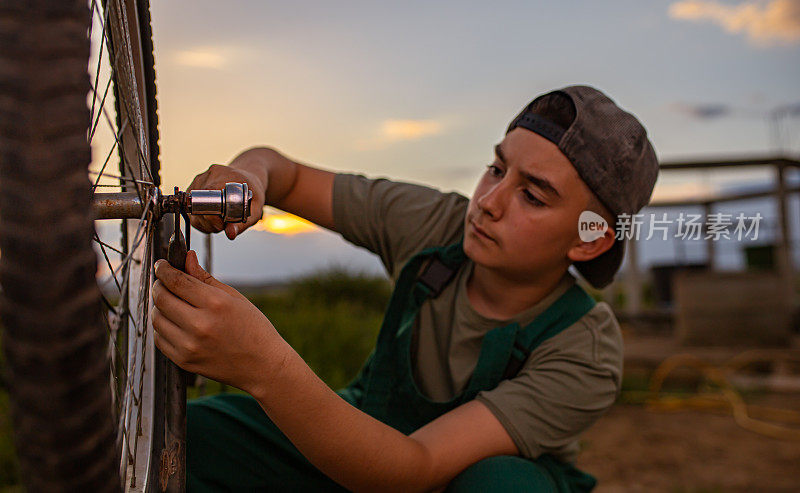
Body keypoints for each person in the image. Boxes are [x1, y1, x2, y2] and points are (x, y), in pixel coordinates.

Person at [151, 84, 659, 491]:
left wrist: (262, 363)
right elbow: (284, 173)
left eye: (533, 195)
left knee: (501, 482)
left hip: (421, 476)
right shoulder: (438, 225)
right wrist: (249, 178)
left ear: (590, 241)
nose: (488, 202)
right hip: (354, 440)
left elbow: (415, 469)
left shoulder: (584, 348)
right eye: (497, 169)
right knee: (192, 437)